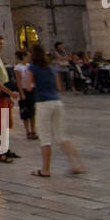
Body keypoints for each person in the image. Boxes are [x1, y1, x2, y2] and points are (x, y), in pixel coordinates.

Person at [28, 44, 85, 177]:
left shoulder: (32, 67)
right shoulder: (51, 67)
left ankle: (45, 169)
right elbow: (59, 86)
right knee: (61, 136)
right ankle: (77, 164)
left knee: (45, 138)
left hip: (43, 103)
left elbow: (29, 86)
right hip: (57, 101)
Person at [15, 50, 37, 140]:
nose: (29, 58)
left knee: (32, 112)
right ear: (23, 57)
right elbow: (19, 81)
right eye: (27, 56)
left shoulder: (29, 66)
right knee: (25, 112)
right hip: (24, 90)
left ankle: (33, 130)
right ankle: (27, 131)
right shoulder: (18, 68)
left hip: (32, 89)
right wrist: (22, 93)